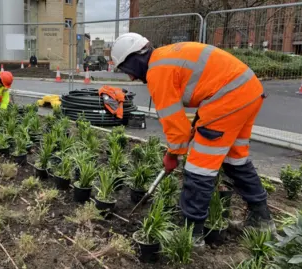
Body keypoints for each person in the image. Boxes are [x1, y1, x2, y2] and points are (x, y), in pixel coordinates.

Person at [111, 33, 274, 245]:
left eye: (127, 70)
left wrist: (172, 155)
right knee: (235, 158)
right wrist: (193, 129)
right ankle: (261, 219)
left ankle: (191, 235)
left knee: (200, 167)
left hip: (228, 98)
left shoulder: (157, 72)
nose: (131, 78)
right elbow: (202, 93)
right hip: (249, 91)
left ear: (135, 58)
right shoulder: (165, 57)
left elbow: (176, 128)